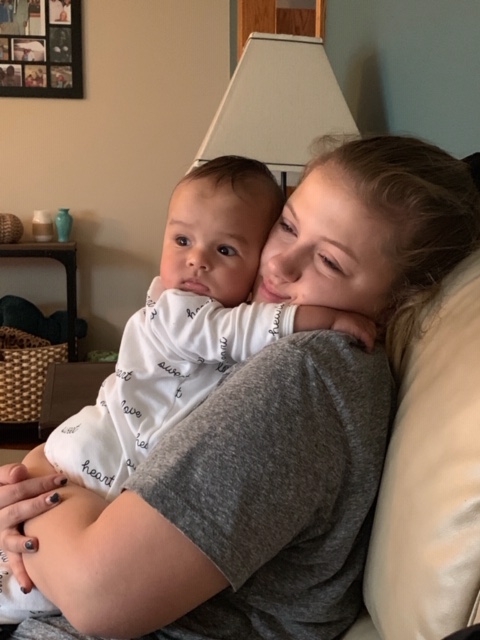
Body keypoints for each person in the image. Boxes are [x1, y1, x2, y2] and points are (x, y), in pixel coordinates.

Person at [0, 135, 479, 640]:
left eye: (331, 262)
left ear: (398, 303)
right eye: (287, 226)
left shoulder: (310, 373)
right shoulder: (260, 334)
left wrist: (37, 497)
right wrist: (30, 485)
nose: (280, 264)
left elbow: (99, 596)